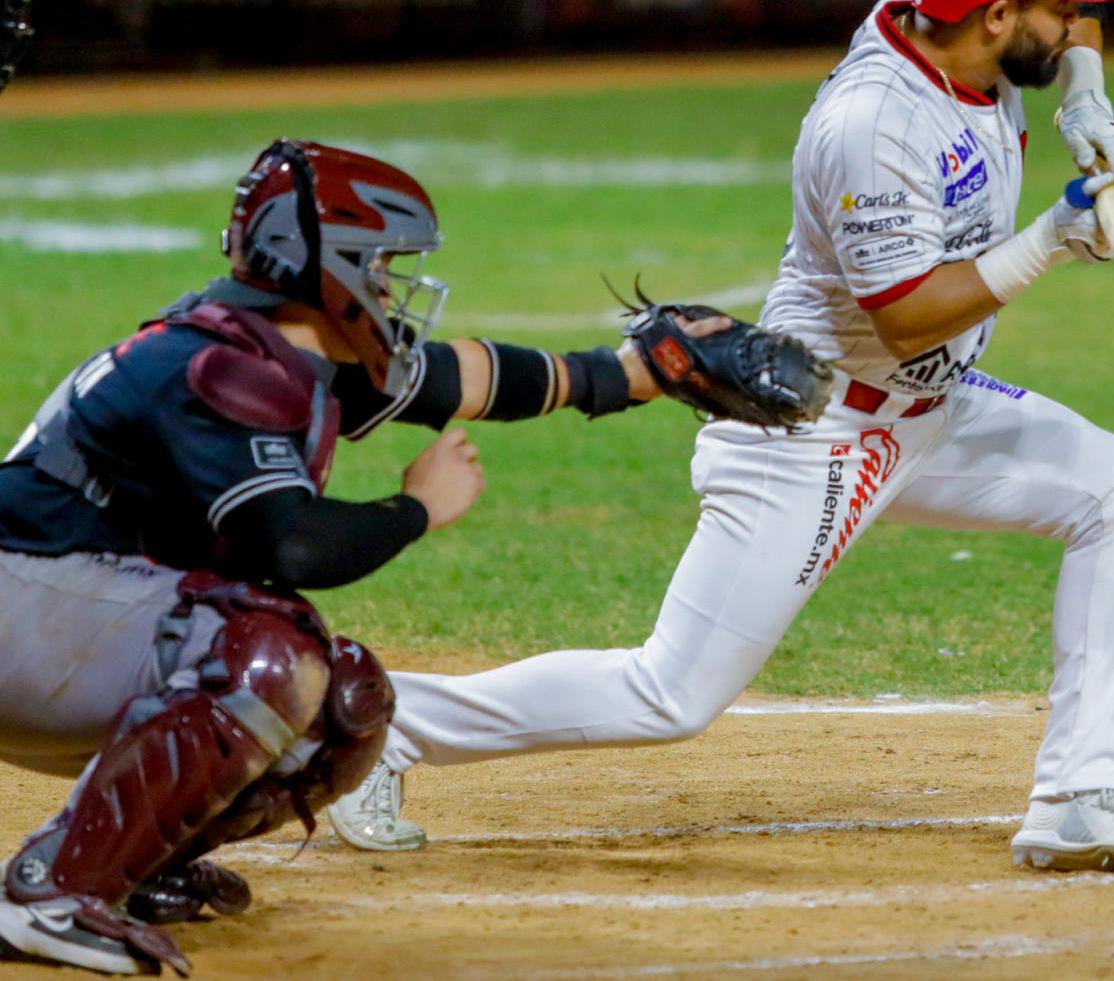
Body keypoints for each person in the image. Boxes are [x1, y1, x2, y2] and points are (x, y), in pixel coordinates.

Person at [332, 0, 1114, 876]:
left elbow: (1074, 16)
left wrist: (1085, 93)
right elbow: (906, 313)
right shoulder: (871, 122)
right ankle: (382, 721)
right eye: (1049, 6)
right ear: (995, 15)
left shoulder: (956, 21)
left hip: (926, 407)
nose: (1074, 18)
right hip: (808, 422)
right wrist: (1046, 239)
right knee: (668, 694)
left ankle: (1078, 797)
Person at [0, 139, 824, 975]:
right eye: (381, 264)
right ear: (324, 265)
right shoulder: (222, 369)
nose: (392, 285)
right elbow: (294, 542)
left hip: (66, 613)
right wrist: (417, 508)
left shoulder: (274, 346)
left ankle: (129, 863)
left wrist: (632, 371)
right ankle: (50, 889)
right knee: (266, 652)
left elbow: (466, 377)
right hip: (25, 604)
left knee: (343, 709)